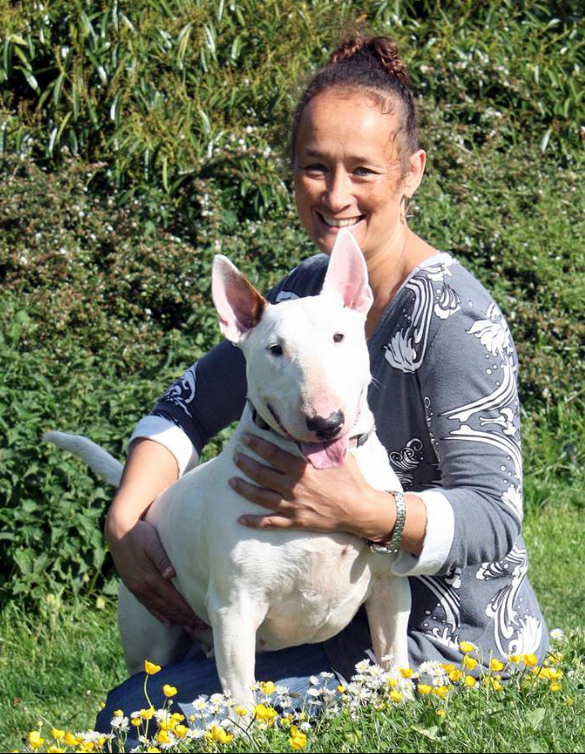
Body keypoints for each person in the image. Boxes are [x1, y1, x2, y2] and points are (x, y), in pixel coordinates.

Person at [96, 33, 548, 730]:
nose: (336, 195)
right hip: (331, 629)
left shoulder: (456, 320)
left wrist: (354, 507)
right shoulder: (308, 291)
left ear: (410, 172)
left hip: (449, 647)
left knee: (137, 718)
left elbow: (495, 517)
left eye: (362, 170)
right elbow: (188, 406)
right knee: (140, 705)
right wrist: (125, 519)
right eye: (315, 168)